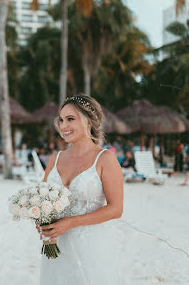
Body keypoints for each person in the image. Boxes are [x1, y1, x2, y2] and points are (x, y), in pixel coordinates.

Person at [37, 94, 123, 285]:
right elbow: (42, 200)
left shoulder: (105, 159)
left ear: (89, 121)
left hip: (91, 248)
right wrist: (40, 220)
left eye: (70, 119)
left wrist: (70, 222)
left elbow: (116, 209)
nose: (63, 126)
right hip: (56, 247)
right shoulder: (55, 158)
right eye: (61, 120)